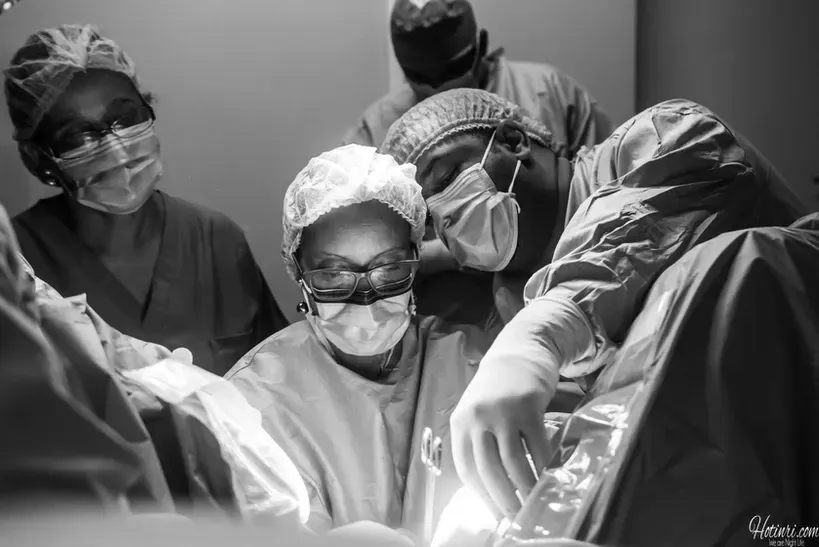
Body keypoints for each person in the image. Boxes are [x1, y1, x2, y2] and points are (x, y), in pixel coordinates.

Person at [379, 88, 809, 518]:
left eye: (449, 175)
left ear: (514, 141)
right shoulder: (511, 295)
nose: (447, 215)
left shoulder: (663, 136)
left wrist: (544, 334)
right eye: (432, 218)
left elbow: (645, 234)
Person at [225, 144, 493, 538]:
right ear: (299, 273)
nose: (365, 298)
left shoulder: (471, 364)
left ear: (417, 257)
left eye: (389, 270)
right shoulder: (253, 402)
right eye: (333, 276)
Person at [4, 24, 288, 376]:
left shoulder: (216, 241)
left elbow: (279, 382)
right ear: (38, 161)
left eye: (125, 118)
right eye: (78, 134)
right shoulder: (16, 263)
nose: (117, 145)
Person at [343, 0, 613, 326]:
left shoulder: (548, 92)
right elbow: (364, 254)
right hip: (454, 326)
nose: (438, 87)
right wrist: (444, 255)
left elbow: (603, 184)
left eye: (449, 175)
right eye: (421, 77)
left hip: (579, 291)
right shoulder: (376, 131)